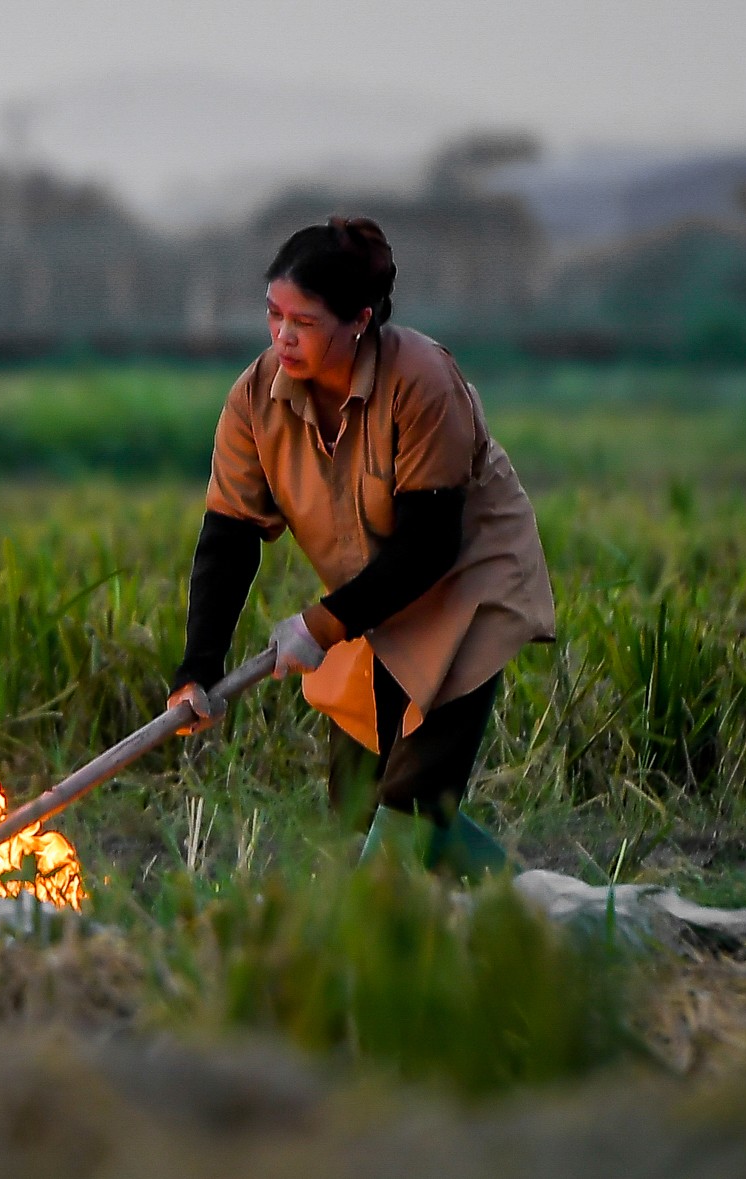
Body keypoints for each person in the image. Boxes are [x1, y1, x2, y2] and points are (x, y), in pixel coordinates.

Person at [166, 216, 554, 880]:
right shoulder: (254, 400)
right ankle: (531, 896)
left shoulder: (422, 381)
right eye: (274, 315)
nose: (283, 335)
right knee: (354, 802)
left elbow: (432, 541)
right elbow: (227, 539)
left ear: (359, 321)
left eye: (306, 322)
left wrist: (320, 624)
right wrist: (196, 669)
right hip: (374, 592)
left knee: (413, 793)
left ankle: (398, 929)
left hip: (464, 579)